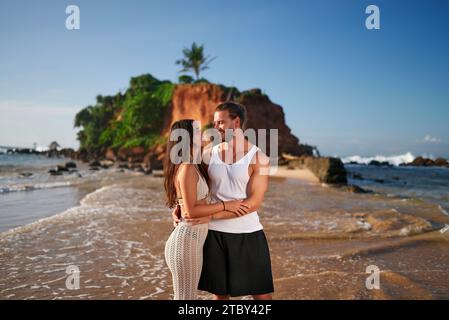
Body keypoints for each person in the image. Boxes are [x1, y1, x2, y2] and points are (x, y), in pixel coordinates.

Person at [163, 119, 249, 300]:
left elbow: (187, 203)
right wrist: (227, 205)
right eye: (197, 131)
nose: (203, 133)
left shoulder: (196, 163)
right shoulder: (187, 167)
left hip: (192, 240)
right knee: (185, 300)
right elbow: (190, 212)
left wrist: (179, 206)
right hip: (185, 242)